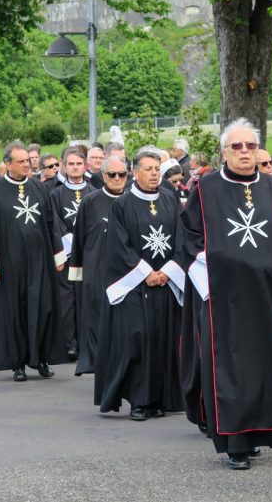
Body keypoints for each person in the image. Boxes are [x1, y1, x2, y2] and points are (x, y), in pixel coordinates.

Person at [178, 118, 272, 470]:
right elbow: (188, 239)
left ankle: (259, 432)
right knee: (230, 367)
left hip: (267, 297)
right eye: (237, 146)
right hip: (225, 299)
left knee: (266, 363)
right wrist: (219, 272)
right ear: (224, 152)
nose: (245, 152)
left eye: (250, 146)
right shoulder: (205, 189)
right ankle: (235, 442)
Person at [0, 142, 68, 381]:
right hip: (10, 264)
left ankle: (41, 358)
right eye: (21, 162)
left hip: (40, 261)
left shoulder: (39, 188)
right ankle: (17, 363)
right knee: (15, 312)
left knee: (43, 309)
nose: (27, 166)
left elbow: (52, 224)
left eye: (28, 162)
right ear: (7, 164)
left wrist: (57, 255)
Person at [94, 148, 185, 420]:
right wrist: (146, 273)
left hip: (166, 284)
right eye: (148, 169)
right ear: (135, 173)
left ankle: (159, 399)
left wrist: (168, 271)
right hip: (136, 285)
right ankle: (138, 401)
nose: (155, 173)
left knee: (164, 341)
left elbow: (182, 240)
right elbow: (119, 246)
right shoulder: (122, 206)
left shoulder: (171, 201)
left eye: (157, 169)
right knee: (137, 341)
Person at [69, 156, 128, 375]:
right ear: (104, 176)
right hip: (96, 268)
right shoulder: (90, 202)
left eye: (121, 174)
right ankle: (96, 361)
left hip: (124, 271)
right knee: (96, 317)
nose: (117, 179)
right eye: (112, 174)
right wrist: (78, 271)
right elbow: (80, 238)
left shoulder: (130, 201)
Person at [51, 147, 96, 360]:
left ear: (85, 166)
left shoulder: (94, 192)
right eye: (71, 164)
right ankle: (70, 343)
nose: (75, 167)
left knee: (86, 298)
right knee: (67, 299)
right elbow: (55, 223)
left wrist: (86, 245)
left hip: (90, 256)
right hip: (67, 254)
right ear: (64, 166)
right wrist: (72, 243)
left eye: (79, 163)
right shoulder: (55, 194)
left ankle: (88, 342)